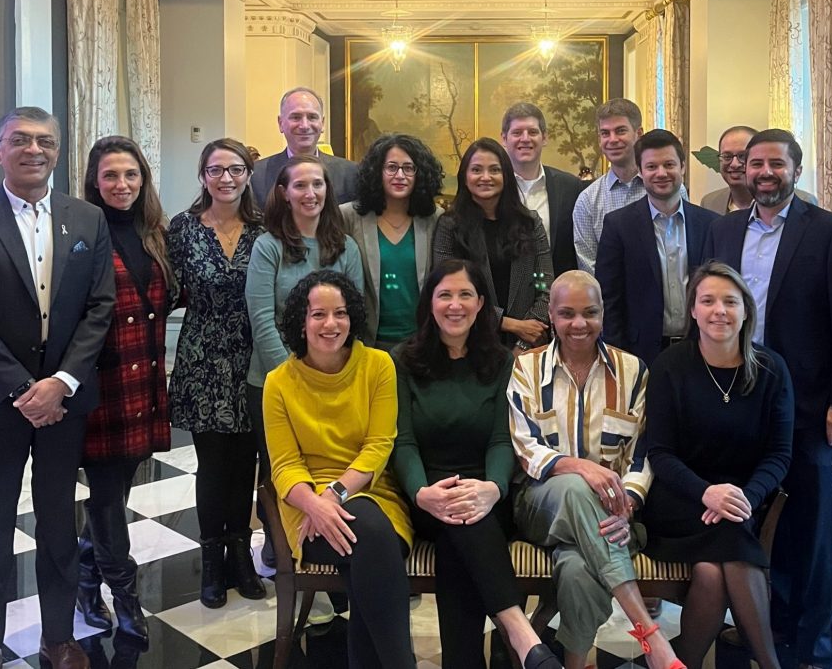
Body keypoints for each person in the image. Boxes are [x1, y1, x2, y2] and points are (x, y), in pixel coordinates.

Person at [0, 106, 115, 669]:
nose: (33, 150)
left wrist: (59, 384)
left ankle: (58, 637)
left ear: (58, 152)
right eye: (20, 140)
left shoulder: (86, 219)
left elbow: (99, 307)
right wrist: (23, 390)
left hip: (64, 402)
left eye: (45, 141)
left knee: (59, 519)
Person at [703, 129, 832, 669]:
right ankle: (765, 627)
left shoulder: (828, 230)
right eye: (756, 164)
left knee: (814, 523)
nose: (765, 173)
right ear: (743, 171)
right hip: (737, 398)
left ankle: (816, 638)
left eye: (776, 163)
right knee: (750, 517)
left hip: (808, 402)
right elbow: (705, 306)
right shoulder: (724, 230)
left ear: (796, 170)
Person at [391, 259, 561, 669]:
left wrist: (493, 488)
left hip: (488, 490)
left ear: (481, 302)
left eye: (465, 294)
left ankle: (465, 662)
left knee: (463, 527)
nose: (455, 304)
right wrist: (420, 492)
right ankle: (520, 634)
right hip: (427, 493)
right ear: (429, 303)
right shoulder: (402, 360)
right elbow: (404, 440)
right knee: (458, 519)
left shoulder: (503, 362)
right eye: (444, 294)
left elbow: (503, 437)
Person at [509, 271, 684, 669]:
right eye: (567, 313)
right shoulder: (525, 369)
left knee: (575, 570)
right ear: (551, 316)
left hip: (613, 517)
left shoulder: (633, 371)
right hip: (539, 506)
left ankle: (573, 664)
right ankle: (649, 636)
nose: (578, 324)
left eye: (589, 312)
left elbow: (643, 454)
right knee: (573, 486)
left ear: (603, 313)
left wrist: (628, 507)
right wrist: (581, 469)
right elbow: (525, 449)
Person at [642, 262, 793, 669]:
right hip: (679, 500)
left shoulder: (771, 370)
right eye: (707, 301)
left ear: (746, 310)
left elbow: (780, 455)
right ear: (692, 310)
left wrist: (745, 496)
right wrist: (706, 492)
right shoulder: (669, 366)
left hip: (743, 499)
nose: (719, 311)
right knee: (729, 536)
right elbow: (659, 452)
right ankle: (770, 664)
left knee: (710, 572)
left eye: (730, 301)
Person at [263, 270, 416, 669]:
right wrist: (315, 504)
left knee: (365, 530)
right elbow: (284, 465)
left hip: (373, 493)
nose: (331, 324)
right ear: (301, 321)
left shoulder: (379, 365)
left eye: (341, 313)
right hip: (307, 512)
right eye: (318, 315)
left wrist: (334, 495)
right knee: (368, 534)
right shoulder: (278, 383)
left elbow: (379, 445)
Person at [74, 136, 177, 642]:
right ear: (95, 180)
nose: (122, 185)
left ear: (143, 180)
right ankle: (125, 594)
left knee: (115, 490)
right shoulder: (78, 231)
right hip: (102, 390)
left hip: (146, 385)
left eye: (131, 175)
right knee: (108, 496)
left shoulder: (153, 233)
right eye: (111, 176)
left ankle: (85, 575)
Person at [245, 153, 363, 567]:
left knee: (331, 461)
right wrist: (294, 376)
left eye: (318, 184)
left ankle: (329, 541)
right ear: (284, 193)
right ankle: (283, 544)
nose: (310, 193)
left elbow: (352, 312)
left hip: (336, 378)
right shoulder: (268, 246)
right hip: (276, 380)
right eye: (300, 185)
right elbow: (261, 317)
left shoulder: (344, 246)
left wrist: (330, 371)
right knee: (282, 466)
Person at [167, 138, 267, 608]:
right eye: (215, 170)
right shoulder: (183, 228)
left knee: (245, 464)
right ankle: (211, 561)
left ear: (248, 173)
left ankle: (241, 555)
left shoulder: (266, 228)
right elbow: (166, 290)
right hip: (203, 357)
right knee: (212, 465)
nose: (225, 178)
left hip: (254, 359)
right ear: (203, 176)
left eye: (235, 169)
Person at [596, 129, 719, 365]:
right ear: (641, 172)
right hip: (640, 353)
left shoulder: (710, 224)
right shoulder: (618, 225)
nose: (661, 173)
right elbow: (610, 298)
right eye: (652, 167)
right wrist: (617, 355)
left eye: (669, 164)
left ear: (682, 167)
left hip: (701, 348)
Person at [432, 138, 553, 351]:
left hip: (527, 349)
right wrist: (509, 324)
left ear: (506, 175)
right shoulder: (449, 226)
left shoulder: (529, 223)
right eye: (476, 170)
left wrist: (524, 342)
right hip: (468, 344)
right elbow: (448, 291)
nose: (486, 177)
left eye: (495, 170)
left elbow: (546, 286)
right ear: (465, 177)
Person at [341, 133, 444, 350]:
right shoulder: (348, 217)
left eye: (408, 168)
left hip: (421, 343)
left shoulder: (435, 218)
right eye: (391, 167)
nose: (400, 175)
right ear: (377, 171)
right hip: (365, 343)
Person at [572, 98, 689, 273]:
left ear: (639, 133)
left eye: (620, 131)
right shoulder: (588, 201)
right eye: (605, 133)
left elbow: (682, 252)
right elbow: (589, 268)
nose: (612, 140)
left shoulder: (671, 188)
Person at [500, 102, 588, 275]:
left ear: (545, 137)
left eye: (533, 132)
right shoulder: (493, 187)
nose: (525, 139)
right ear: (504, 138)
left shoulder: (570, 187)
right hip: (505, 295)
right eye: (517, 132)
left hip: (557, 292)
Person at [250, 87, 359, 207]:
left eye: (312, 117)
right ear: (281, 123)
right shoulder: (256, 175)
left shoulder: (350, 174)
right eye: (296, 117)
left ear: (322, 123)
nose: (304, 125)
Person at [700, 126, 817, 214]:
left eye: (742, 156)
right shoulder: (710, 203)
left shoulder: (804, 202)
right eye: (727, 156)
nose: (734, 164)